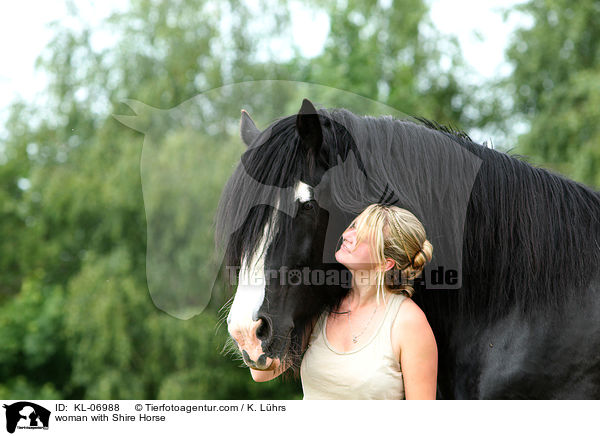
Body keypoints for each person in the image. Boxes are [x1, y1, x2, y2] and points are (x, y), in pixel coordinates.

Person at [251, 204, 438, 400]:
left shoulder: (408, 322)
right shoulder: (322, 307)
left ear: (385, 263)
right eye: (353, 226)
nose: (347, 235)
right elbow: (263, 372)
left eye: (362, 236)